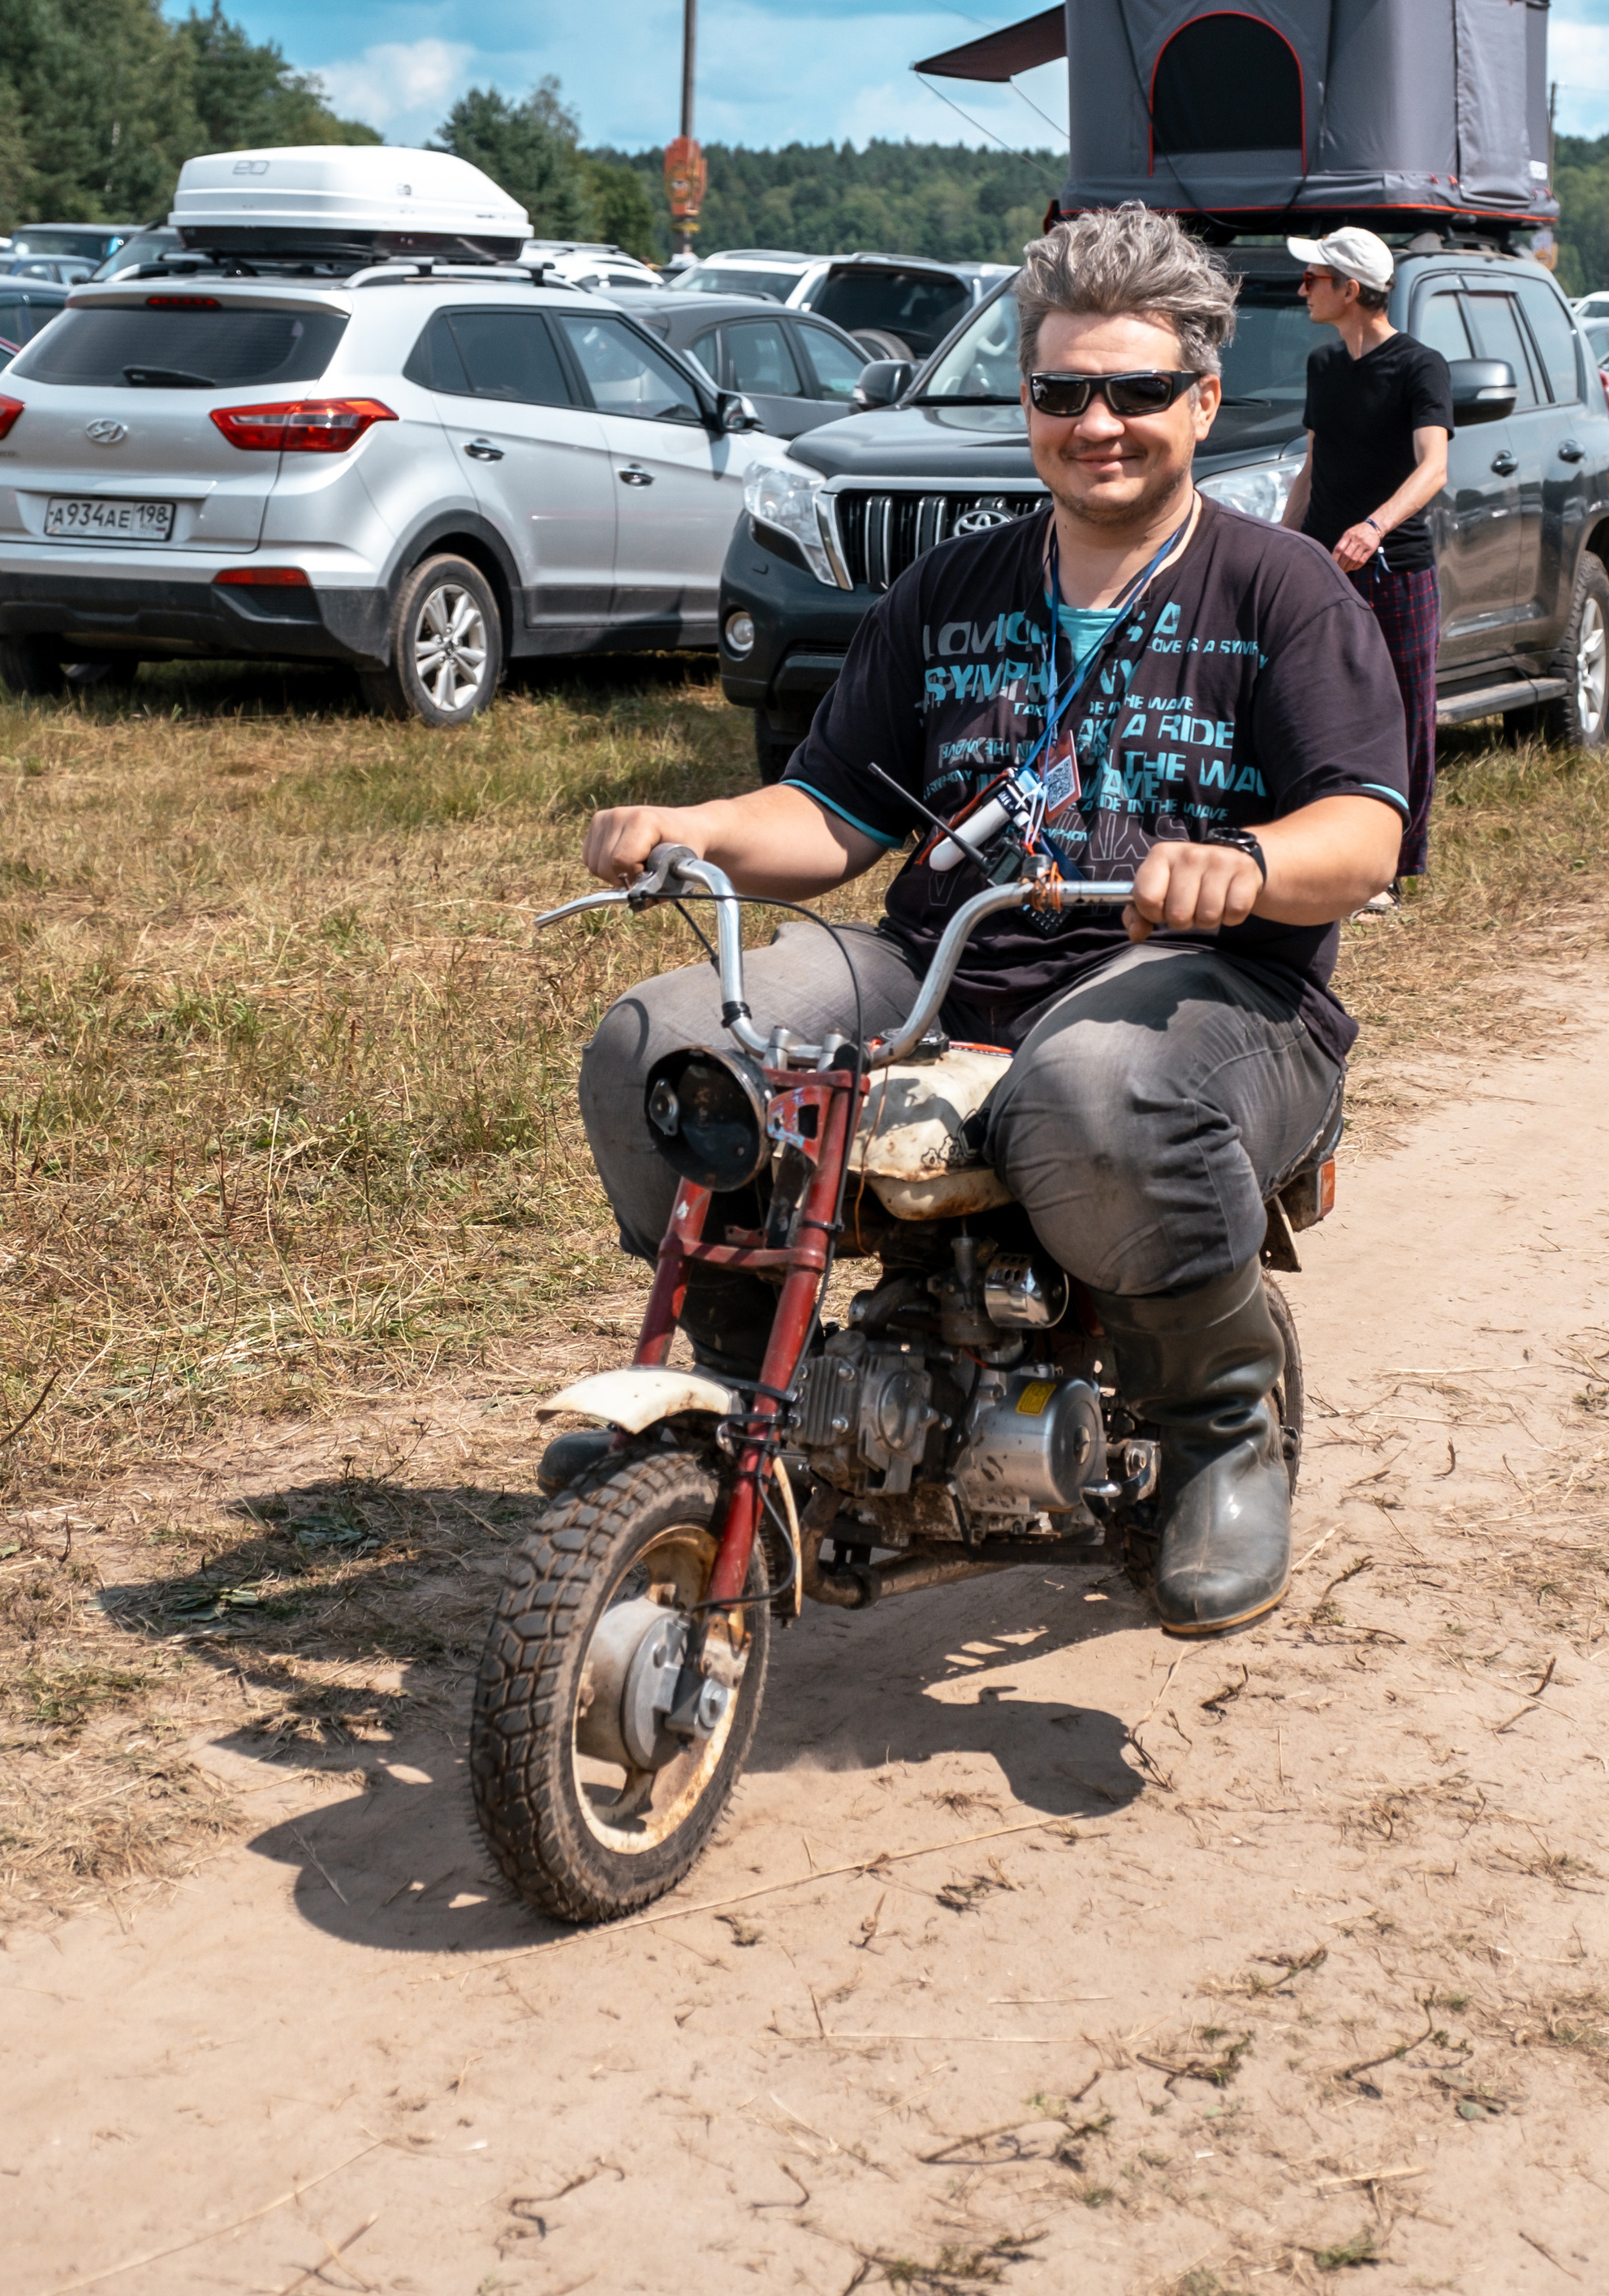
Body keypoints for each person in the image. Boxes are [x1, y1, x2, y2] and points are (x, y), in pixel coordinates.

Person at [577, 204, 1408, 1641]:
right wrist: (702, 828)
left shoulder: (1283, 590)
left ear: (1204, 400)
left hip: (1208, 995)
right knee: (662, 1036)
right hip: (935, 963)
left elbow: (1368, 831)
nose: (1101, 422)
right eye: (1063, 389)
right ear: (1025, 399)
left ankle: (1221, 1431)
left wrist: (1249, 863)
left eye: (1140, 390)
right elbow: (830, 817)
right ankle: (728, 1399)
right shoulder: (951, 585)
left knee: (1091, 1090)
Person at [1282, 227, 1451, 914]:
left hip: (1394, 565)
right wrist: (1283, 547)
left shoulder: (1420, 366)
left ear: (1350, 289)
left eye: (1313, 278)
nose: (1302, 289)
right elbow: (1315, 466)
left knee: (1404, 710)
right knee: (1322, 707)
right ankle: (1326, 851)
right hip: (1324, 565)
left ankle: (1390, 864)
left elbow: (1433, 468)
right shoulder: (1323, 364)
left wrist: (1376, 526)